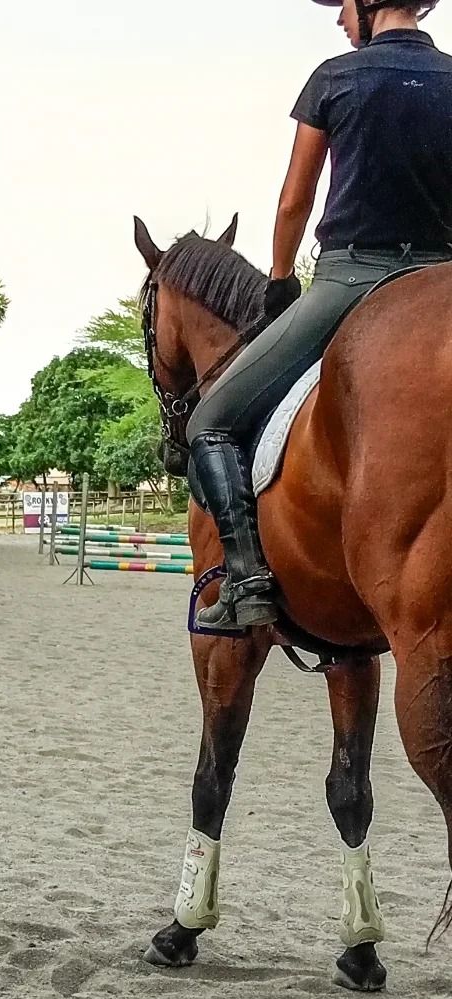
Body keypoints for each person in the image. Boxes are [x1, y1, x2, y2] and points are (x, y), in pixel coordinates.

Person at [188, 0, 452, 630]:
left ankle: (247, 579)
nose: (339, 19)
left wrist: (281, 280)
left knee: (211, 421)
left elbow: (292, 202)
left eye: (343, 6)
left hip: (351, 279)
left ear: (368, 5)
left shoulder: (336, 77)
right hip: (443, 277)